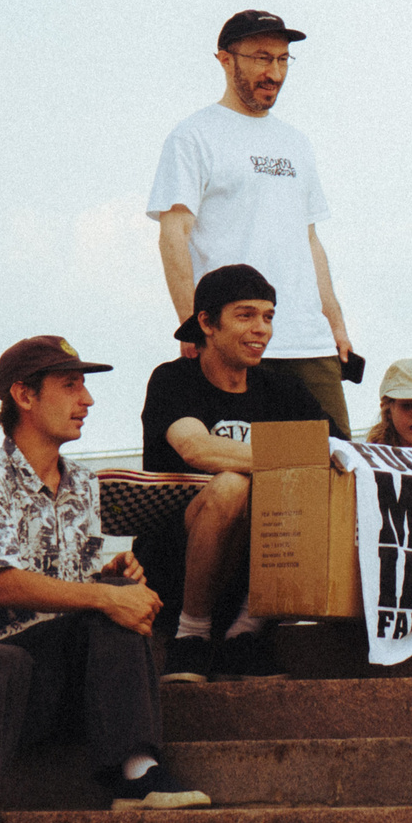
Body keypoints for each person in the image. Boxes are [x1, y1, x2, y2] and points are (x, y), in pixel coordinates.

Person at [0, 336, 209, 823]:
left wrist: (111, 579)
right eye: (70, 385)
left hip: (61, 688)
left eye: (85, 386)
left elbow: (71, 589)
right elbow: (3, 584)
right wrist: (104, 595)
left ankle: (136, 773)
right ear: (24, 395)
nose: (87, 400)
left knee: (113, 607)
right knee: (9, 657)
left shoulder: (81, 484)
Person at [149, 8, 357, 434]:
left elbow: (310, 240)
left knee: (334, 479)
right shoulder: (194, 136)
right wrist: (192, 324)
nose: (274, 72)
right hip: (233, 345)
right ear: (226, 60)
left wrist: (334, 322)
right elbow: (174, 235)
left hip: (308, 342)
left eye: (282, 60)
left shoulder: (296, 142)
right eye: (262, 57)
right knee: (243, 480)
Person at [138, 264, 325, 682]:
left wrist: (307, 458)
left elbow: (333, 455)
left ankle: (246, 635)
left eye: (268, 316)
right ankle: (191, 639)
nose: (261, 329)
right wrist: (293, 456)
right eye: (245, 315)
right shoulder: (174, 379)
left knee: (319, 487)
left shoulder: (284, 391)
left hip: (258, 570)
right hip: (173, 564)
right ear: (206, 322)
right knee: (230, 485)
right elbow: (196, 447)